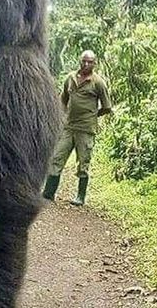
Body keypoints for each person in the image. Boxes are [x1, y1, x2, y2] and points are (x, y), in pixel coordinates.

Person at [42, 50, 112, 206]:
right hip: (68, 127)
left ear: (95, 64)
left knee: (83, 162)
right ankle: (48, 193)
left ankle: (80, 196)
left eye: (90, 62)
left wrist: (92, 116)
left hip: (86, 129)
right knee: (56, 158)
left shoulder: (98, 83)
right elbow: (62, 101)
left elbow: (107, 107)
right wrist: (61, 118)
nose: (86, 64)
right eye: (84, 61)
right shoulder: (70, 78)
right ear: (80, 61)